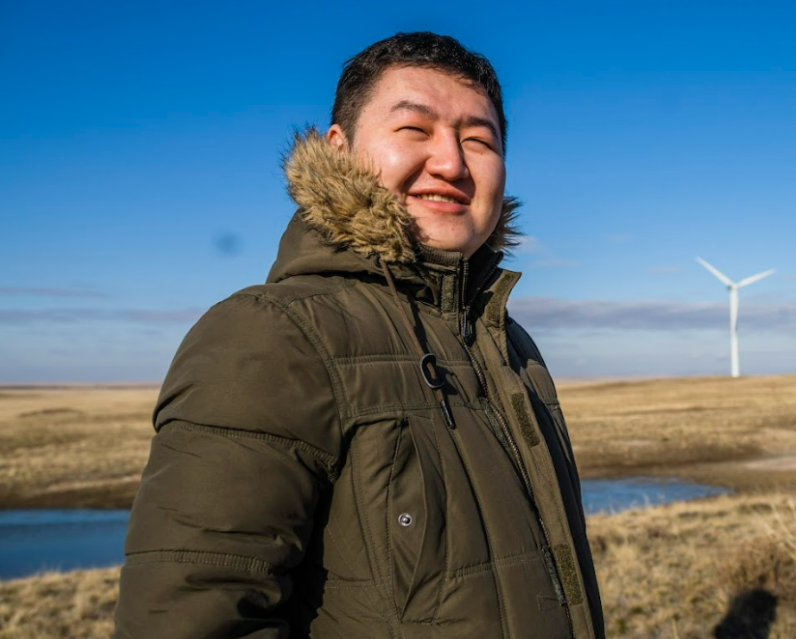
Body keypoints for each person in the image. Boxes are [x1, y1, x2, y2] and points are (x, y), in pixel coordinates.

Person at [114, 32, 605, 639]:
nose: (451, 162)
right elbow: (190, 618)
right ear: (339, 149)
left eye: (479, 139)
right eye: (414, 130)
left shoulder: (509, 347)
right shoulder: (273, 335)